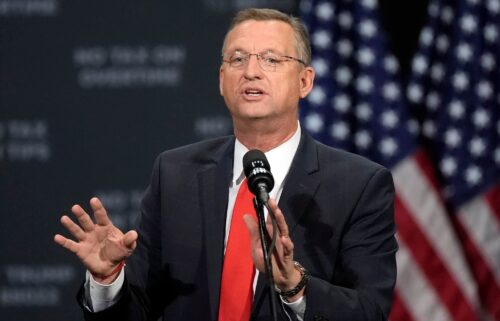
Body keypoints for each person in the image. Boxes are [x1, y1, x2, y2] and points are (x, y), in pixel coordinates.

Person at [54, 8, 397, 321]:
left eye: (271, 59)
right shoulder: (175, 175)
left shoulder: (358, 185)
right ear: (221, 80)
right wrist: (107, 280)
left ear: (304, 82)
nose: (250, 72)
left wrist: (295, 285)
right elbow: (137, 311)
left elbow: (370, 311)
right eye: (237, 59)